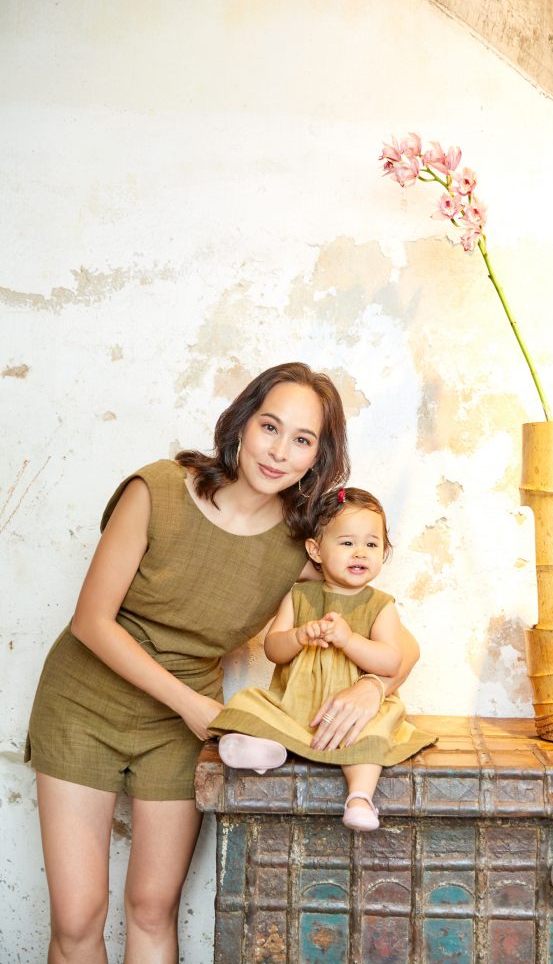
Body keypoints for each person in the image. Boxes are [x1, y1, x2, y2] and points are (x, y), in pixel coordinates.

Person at [25, 362, 420, 964]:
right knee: (78, 920)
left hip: (180, 731)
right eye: (270, 427)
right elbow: (91, 622)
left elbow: (398, 641)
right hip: (86, 706)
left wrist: (372, 686)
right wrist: (192, 705)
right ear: (241, 423)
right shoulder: (157, 490)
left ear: (318, 457)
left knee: (152, 910)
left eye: (302, 440)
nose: (279, 451)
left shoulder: (300, 548)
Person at [210, 486, 435, 832]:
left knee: (372, 735)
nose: (360, 553)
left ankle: (359, 797)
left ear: (384, 552)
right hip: (296, 705)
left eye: (371, 544)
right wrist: (298, 636)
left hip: (353, 713)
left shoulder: (380, 606)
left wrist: (349, 640)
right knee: (247, 702)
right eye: (347, 543)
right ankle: (266, 750)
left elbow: (391, 661)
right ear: (315, 550)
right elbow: (273, 649)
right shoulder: (299, 596)